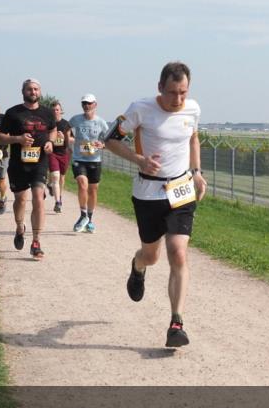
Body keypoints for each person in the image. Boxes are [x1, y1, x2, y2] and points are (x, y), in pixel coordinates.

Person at [104, 62, 206, 348]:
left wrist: (197, 172)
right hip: (148, 193)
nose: (178, 99)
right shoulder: (141, 108)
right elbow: (110, 140)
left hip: (181, 191)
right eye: (172, 92)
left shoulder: (192, 109)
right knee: (152, 256)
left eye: (183, 92)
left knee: (179, 253)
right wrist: (139, 160)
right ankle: (138, 267)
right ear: (160, 87)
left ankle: (176, 323)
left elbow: (194, 138)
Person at [0, 79, 56, 259]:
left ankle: (36, 241)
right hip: (18, 164)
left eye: (36, 89)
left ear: (40, 92)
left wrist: (50, 142)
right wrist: (18, 139)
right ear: (23, 91)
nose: (33, 92)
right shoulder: (13, 113)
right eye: (29, 89)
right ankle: (20, 226)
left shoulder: (47, 112)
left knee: (38, 198)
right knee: (21, 200)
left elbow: (52, 130)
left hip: (39, 162)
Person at [68, 94, 110, 233]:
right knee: (82, 183)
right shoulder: (76, 119)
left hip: (94, 160)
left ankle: (89, 219)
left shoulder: (101, 122)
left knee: (93, 190)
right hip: (79, 159)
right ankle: (83, 215)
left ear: (95, 105)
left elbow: (109, 140)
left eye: (89, 103)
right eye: (84, 103)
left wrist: (102, 144)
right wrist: (69, 139)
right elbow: (65, 130)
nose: (86, 106)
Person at [47, 101, 73, 214]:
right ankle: (57, 202)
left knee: (62, 178)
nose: (55, 112)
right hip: (52, 153)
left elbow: (73, 139)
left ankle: (59, 197)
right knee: (55, 176)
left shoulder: (66, 124)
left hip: (64, 153)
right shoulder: (48, 123)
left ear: (61, 111)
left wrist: (64, 137)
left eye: (57, 110)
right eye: (53, 110)